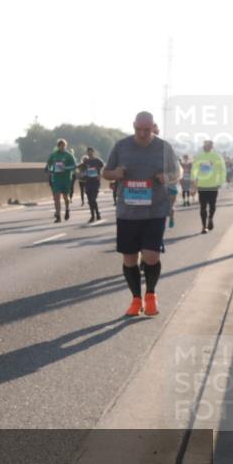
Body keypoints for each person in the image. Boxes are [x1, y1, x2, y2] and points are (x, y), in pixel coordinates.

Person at [102, 112, 182, 317]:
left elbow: (178, 172)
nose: (143, 134)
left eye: (147, 130)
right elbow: (106, 172)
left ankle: (151, 295)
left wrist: (167, 177)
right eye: (139, 129)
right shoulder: (121, 146)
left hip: (155, 210)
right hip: (127, 212)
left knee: (151, 256)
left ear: (153, 127)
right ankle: (136, 299)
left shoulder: (163, 147)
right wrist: (115, 174)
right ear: (133, 126)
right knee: (129, 259)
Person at [191, 139, 228, 234]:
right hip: (202, 186)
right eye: (204, 145)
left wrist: (220, 181)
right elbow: (194, 169)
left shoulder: (217, 157)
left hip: (213, 186)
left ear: (211, 146)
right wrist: (193, 181)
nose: (205, 147)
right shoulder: (199, 157)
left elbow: (222, 170)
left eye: (207, 145)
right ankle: (204, 227)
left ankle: (210, 218)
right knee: (203, 207)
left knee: (212, 206)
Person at [46, 139, 77, 222]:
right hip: (56, 179)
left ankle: (67, 209)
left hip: (66, 179)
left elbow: (74, 166)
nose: (62, 147)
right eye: (60, 145)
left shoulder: (68, 155)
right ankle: (58, 216)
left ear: (65, 146)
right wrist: (50, 170)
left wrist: (65, 168)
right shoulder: (53, 155)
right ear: (58, 146)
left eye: (64, 146)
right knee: (56, 197)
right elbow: (49, 164)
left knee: (65, 197)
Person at [80, 146, 104, 223]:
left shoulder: (97, 161)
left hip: (95, 182)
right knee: (90, 200)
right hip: (88, 182)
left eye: (91, 151)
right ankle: (93, 216)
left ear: (93, 152)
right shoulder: (85, 162)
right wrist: (83, 174)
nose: (90, 153)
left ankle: (97, 214)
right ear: (87, 153)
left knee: (93, 199)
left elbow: (103, 167)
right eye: (88, 152)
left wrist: (100, 174)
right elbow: (82, 171)